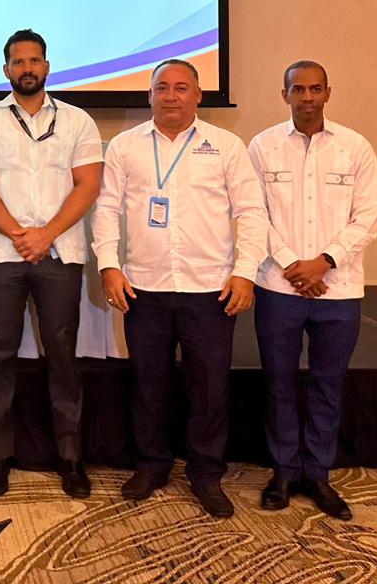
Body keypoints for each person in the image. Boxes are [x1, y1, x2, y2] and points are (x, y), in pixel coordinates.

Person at [92, 59, 269, 518]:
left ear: (198, 95)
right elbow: (107, 210)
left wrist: (245, 272)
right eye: (162, 88)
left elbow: (251, 212)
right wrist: (109, 265)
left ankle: (206, 473)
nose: (171, 96)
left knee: (209, 388)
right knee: (148, 384)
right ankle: (151, 464)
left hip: (210, 289)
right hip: (143, 287)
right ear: (149, 95)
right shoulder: (125, 146)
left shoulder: (226, 146)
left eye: (181, 88)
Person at [0, 28, 102, 499]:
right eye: (18, 61)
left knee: (63, 356)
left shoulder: (78, 120)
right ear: (6, 70)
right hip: (1, 254)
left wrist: (47, 234)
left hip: (60, 253)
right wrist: (22, 235)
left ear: (47, 66)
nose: (27, 68)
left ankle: (71, 457)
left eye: (34, 60)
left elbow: (87, 185)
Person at [248, 60, 377, 520]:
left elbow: (367, 217)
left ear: (328, 92)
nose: (307, 97)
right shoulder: (262, 146)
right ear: (284, 94)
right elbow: (253, 214)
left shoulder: (355, 147)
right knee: (279, 384)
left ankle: (319, 475)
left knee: (328, 384)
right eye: (298, 89)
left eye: (315, 89)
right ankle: (284, 472)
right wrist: (292, 265)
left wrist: (323, 262)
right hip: (277, 286)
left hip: (338, 290)